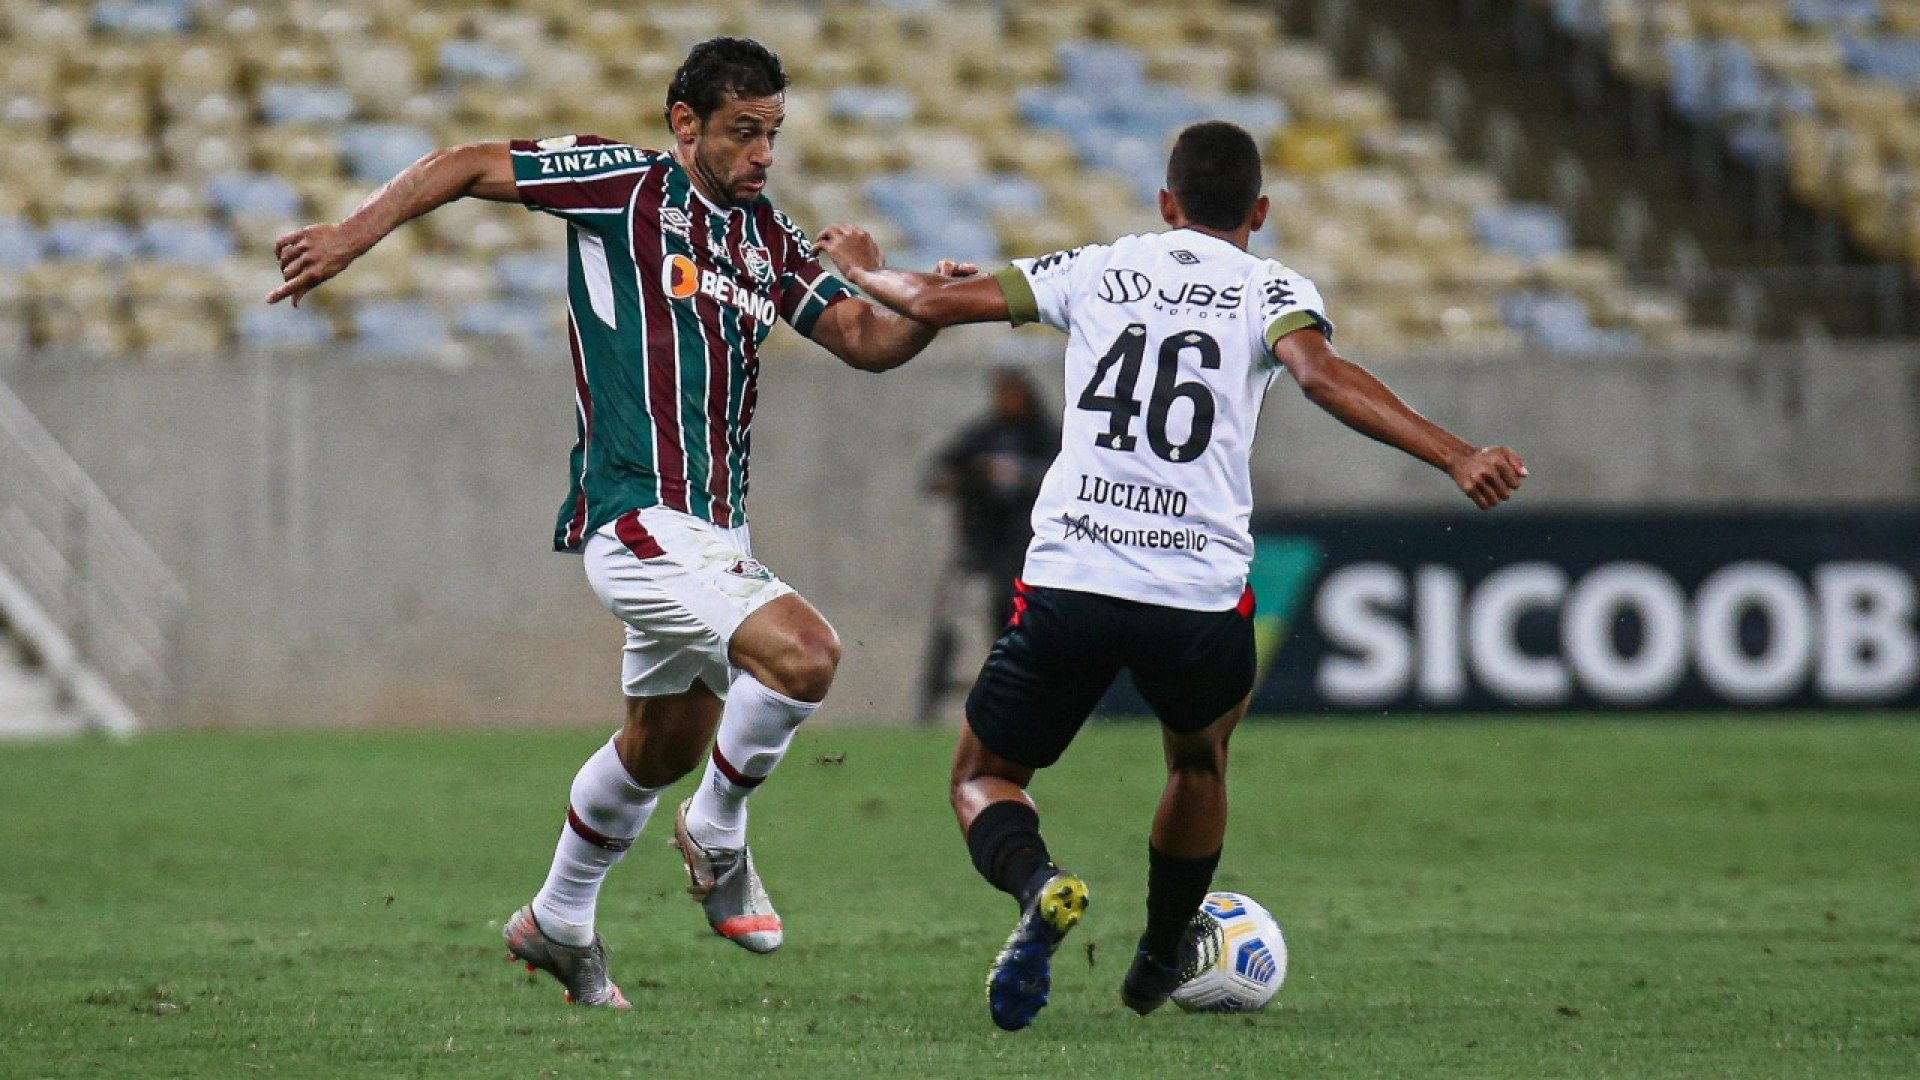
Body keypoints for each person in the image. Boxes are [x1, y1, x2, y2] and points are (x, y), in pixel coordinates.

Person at [268, 37, 954, 1009]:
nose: (764, 154)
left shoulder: (768, 238)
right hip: (636, 512)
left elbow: (864, 343)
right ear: (687, 126)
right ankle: (716, 836)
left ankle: (557, 918)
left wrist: (902, 294)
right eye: (743, 133)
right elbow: (468, 163)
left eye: (773, 134)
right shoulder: (623, 186)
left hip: (717, 535)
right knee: (804, 656)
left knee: (665, 744)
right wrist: (352, 232)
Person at [816, 120, 1526, 1030]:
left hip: (1073, 575)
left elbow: (927, 300)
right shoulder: (1274, 289)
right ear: (1259, 211)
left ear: (1165, 203)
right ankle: (1160, 953)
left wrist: (866, 264)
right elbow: (1324, 378)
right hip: (1194, 592)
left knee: (981, 775)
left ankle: (1038, 885)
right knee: (1199, 760)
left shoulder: (1099, 268)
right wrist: (1457, 455)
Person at [917, 368, 1059, 721]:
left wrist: (1019, 477)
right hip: (982, 541)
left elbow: (1061, 475)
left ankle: (1018, 677)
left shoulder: (1043, 435)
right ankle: (940, 693)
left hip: (1024, 543)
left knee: (1010, 606)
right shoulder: (986, 433)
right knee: (954, 617)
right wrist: (965, 478)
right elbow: (941, 469)